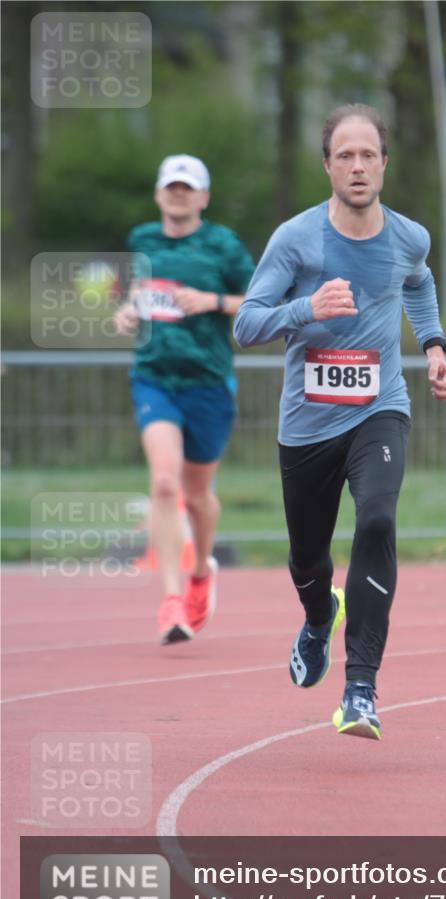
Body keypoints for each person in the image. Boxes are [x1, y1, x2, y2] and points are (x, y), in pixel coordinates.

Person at [235, 105, 446, 740]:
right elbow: (246, 323)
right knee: (307, 558)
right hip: (308, 426)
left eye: (368, 155)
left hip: (378, 409)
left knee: (379, 518)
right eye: (345, 156)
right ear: (327, 166)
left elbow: (418, 281)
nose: (357, 166)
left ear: (385, 163)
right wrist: (305, 307)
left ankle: (360, 690)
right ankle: (315, 616)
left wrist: (434, 348)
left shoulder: (409, 236)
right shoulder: (296, 239)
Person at [113, 154, 255, 644]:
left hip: (209, 384)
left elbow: (262, 300)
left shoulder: (222, 246)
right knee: (165, 484)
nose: (178, 194)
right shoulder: (141, 241)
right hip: (154, 379)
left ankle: (201, 574)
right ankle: (171, 600)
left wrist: (213, 301)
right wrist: (128, 311)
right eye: (170, 186)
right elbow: (135, 292)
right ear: (158, 194)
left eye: (187, 187)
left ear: (203, 197)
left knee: (196, 497)